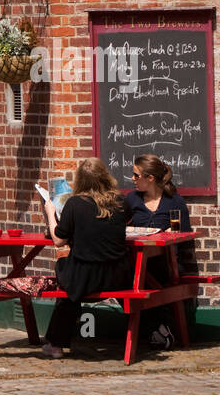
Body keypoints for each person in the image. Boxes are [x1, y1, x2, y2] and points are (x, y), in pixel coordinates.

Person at [38, 157, 133, 359]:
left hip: (85, 278)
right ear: (105, 177)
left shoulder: (74, 204)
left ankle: (56, 344)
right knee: (70, 273)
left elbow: (58, 240)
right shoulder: (120, 201)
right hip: (118, 275)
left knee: (64, 270)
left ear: (80, 180)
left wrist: (50, 214)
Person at [125, 153, 193, 350]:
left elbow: (186, 233)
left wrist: (174, 234)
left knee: (149, 276)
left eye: (136, 175)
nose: (133, 179)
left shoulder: (174, 201)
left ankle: (155, 328)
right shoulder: (131, 200)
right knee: (124, 276)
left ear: (150, 178)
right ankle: (158, 328)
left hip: (165, 262)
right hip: (136, 262)